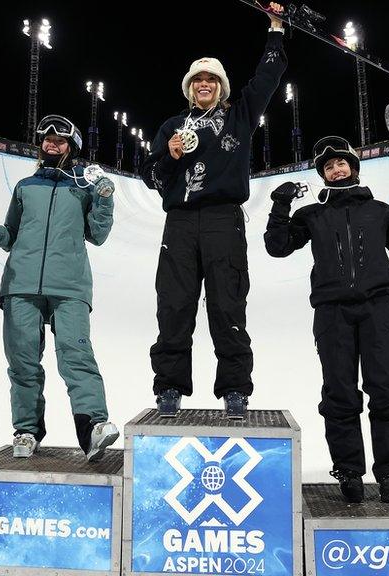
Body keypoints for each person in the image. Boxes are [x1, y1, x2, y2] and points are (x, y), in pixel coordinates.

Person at [263, 135, 389, 503]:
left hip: (379, 311)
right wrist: (280, 204)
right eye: (328, 166)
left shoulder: (380, 212)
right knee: (339, 393)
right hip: (332, 313)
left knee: (387, 390)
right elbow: (277, 246)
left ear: (353, 167)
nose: (336, 169)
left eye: (341, 162)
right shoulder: (312, 215)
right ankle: (348, 470)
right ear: (322, 174)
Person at [140, 3, 288, 419]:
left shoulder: (239, 118)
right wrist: (168, 156)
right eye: (197, 80)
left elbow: (266, 80)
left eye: (211, 79)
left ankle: (235, 390)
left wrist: (275, 29)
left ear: (221, 87)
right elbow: (150, 176)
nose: (204, 84)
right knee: (174, 305)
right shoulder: (172, 127)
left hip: (224, 219)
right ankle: (169, 387)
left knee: (228, 305)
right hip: (181, 223)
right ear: (189, 88)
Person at [0, 114, 119, 461]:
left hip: (70, 285)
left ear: (72, 146)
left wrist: (105, 199)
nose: (51, 144)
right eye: (47, 139)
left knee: (76, 356)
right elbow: (11, 235)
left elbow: (98, 234)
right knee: (23, 362)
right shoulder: (25, 187)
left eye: (59, 140)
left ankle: (92, 426)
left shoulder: (83, 186)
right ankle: (27, 431)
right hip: (21, 284)